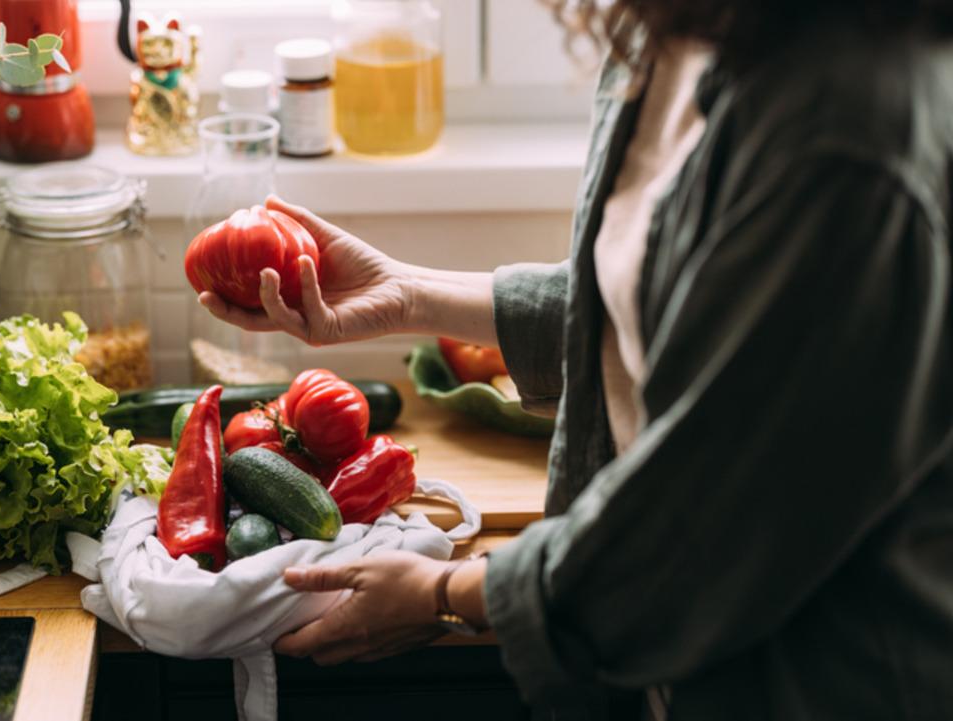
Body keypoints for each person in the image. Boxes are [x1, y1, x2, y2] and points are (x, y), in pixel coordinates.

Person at [200, 0, 953, 718]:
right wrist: (409, 294)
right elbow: (664, 305)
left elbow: (691, 541)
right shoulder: (671, 34)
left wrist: (444, 591)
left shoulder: (847, 137)